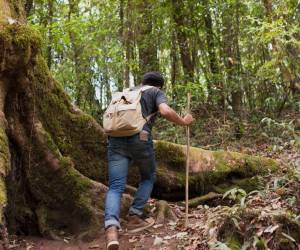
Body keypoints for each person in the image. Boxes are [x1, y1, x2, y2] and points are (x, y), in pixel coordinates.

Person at [105, 72, 194, 250]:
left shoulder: (128, 92)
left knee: (115, 186)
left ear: (142, 82)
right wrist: (184, 122)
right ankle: (134, 215)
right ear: (159, 85)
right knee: (148, 177)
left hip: (115, 140)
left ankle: (111, 230)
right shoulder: (155, 92)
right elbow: (165, 111)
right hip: (140, 139)